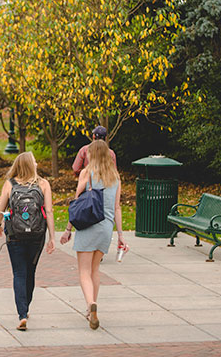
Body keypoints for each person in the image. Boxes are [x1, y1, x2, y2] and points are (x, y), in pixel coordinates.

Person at [60, 140, 128, 330]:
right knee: (95, 270)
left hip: (88, 225)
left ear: (93, 155)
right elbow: (117, 207)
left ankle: (90, 305)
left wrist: (68, 229)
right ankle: (92, 307)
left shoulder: (86, 173)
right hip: (105, 227)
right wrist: (120, 235)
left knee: (83, 271)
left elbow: (77, 203)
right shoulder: (115, 176)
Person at [0, 152, 56, 331]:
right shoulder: (43, 184)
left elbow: (1, 210)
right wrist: (52, 237)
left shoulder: (10, 184)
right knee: (31, 272)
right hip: (37, 235)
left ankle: (22, 314)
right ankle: (26, 306)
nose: (36, 163)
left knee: (19, 273)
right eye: (34, 161)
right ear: (30, 164)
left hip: (15, 235)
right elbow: (49, 212)